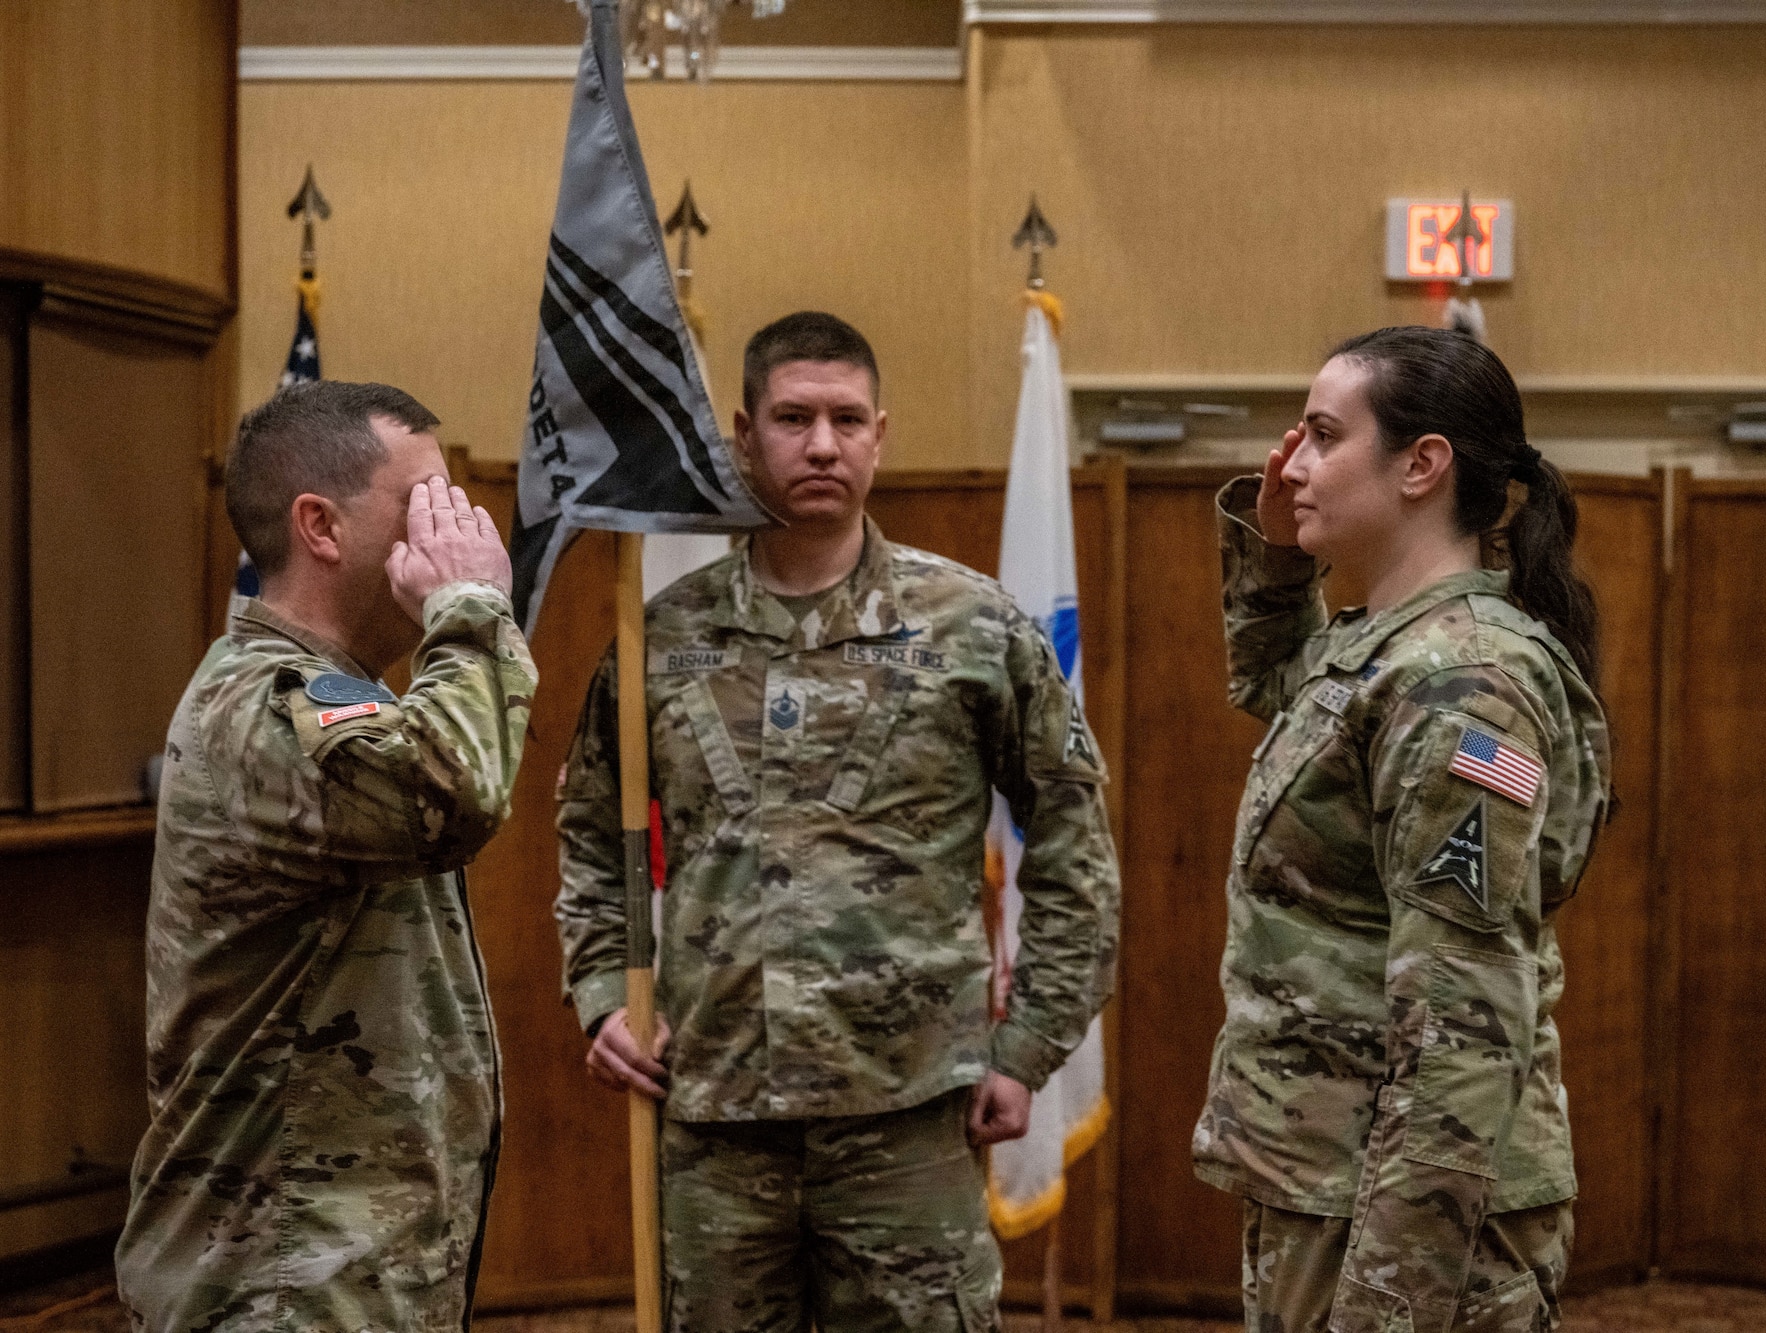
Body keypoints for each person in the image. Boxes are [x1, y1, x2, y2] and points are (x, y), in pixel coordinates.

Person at [555, 311, 1120, 1333]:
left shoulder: (972, 627)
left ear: (880, 433)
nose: (823, 444)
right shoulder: (660, 640)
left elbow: (1073, 839)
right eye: (794, 418)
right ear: (741, 433)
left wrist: (1030, 1038)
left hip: (909, 1119)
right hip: (717, 1116)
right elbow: (594, 834)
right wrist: (602, 990)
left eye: (847, 419)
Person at [1191, 327, 1612, 1333]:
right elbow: (1274, 686)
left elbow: (1465, 1016)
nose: (1288, 463)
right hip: (1335, 1173)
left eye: (1322, 437)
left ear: (1421, 465)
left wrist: (1392, 1296)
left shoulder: (1461, 685)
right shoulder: (1385, 647)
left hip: (1406, 1208)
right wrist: (1278, 564)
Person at [117, 381, 538, 1333]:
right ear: (321, 525)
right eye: (425, 502)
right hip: (280, 1276)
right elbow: (454, 797)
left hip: (341, 1258)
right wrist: (470, 604)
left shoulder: (339, 695)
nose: (458, 530)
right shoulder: (266, 706)